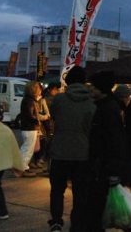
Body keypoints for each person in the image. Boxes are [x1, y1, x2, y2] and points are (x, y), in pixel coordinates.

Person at [47, 66, 96, 232]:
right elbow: (91, 128)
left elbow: (54, 117)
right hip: (82, 153)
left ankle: (55, 222)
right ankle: (77, 224)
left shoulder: (59, 100)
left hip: (59, 151)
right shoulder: (91, 103)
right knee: (80, 192)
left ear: (68, 81)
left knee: (57, 190)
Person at [87, 71, 128, 232]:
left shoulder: (109, 108)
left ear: (101, 89)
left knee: (97, 206)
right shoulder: (105, 105)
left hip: (104, 165)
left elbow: (114, 141)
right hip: (100, 164)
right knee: (96, 206)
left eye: (93, 87)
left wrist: (113, 171)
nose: (91, 90)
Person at [19, 81, 43, 178]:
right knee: (27, 150)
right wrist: (37, 121)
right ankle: (23, 168)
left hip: (28, 127)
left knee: (26, 149)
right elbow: (29, 115)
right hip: (29, 128)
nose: (40, 90)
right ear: (33, 89)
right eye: (38, 88)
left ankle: (23, 166)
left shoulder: (28, 100)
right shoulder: (29, 101)